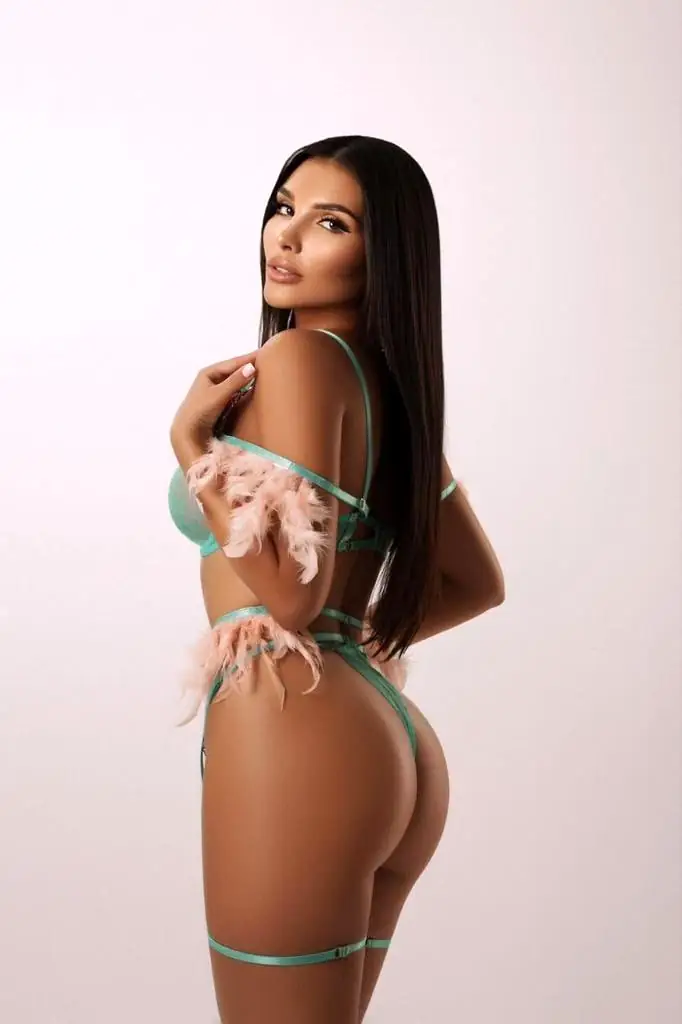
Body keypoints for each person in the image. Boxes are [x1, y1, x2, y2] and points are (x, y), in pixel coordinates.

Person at [167, 135, 505, 1024]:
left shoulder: (300, 360)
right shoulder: (389, 390)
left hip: (289, 725)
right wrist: (349, 647)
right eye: (284, 208)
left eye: (329, 223)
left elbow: (291, 596)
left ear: (383, 253)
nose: (286, 236)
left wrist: (194, 446)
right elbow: (475, 581)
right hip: (375, 736)